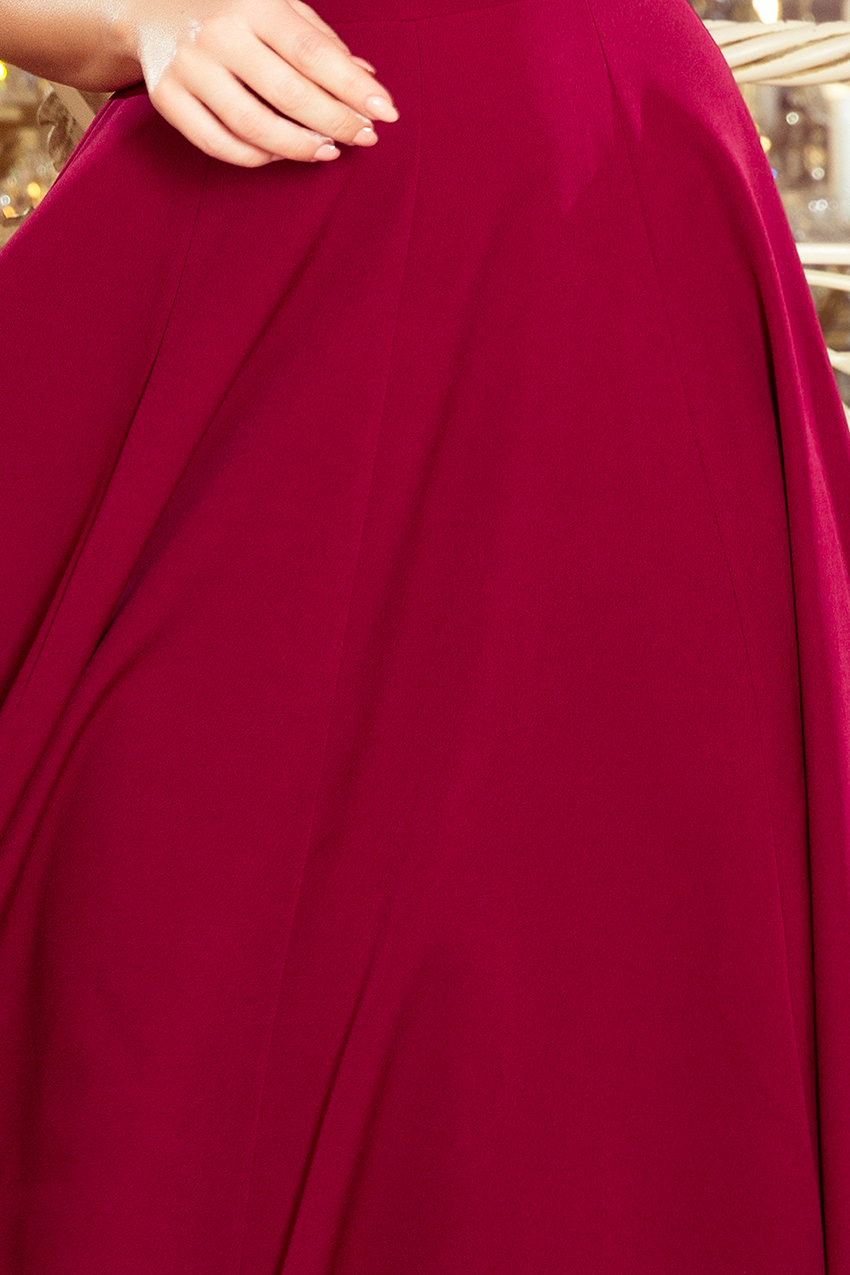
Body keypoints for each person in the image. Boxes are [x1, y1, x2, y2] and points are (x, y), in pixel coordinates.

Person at [1, 0, 849, 1269]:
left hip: (614, 202)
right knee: (160, 933)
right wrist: (140, 19)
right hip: (273, 199)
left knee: (602, 968)